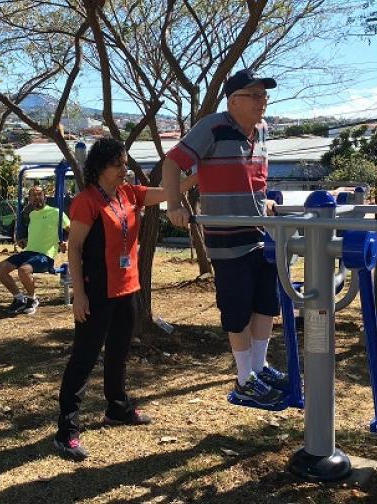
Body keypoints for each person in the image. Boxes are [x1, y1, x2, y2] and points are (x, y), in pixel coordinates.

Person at [55, 138, 197, 461]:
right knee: (84, 358)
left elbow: (170, 192)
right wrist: (79, 295)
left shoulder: (130, 194)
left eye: (125, 163)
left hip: (127, 289)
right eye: (118, 164)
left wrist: (203, 171)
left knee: (119, 353)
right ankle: (66, 430)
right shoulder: (87, 201)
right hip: (98, 292)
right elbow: (73, 249)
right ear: (101, 167)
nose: (125, 169)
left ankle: (117, 408)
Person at [162, 68, 288, 409]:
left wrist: (267, 202)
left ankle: (260, 369)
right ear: (234, 100)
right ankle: (245, 378)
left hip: (261, 230)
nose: (263, 102)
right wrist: (175, 204)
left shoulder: (261, 130)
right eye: (255, 95)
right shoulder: (214, 127)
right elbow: (172, 163)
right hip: (227, 236)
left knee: (266, 303)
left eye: (264, 95)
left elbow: (257, 178)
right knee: (237, 308)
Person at [0, 185, 69, 315]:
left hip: (45, 256)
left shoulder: (56, 212)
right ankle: (19, 299)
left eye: (39, 194)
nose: (36, 197)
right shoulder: (32, 215)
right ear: (29, 199)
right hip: (28, 253)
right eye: (33, 195)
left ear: (45, 197)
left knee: (24, 270)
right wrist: (23, 240)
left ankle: (32, 299)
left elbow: (72, 229)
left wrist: (65, 243)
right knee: (0, 268)